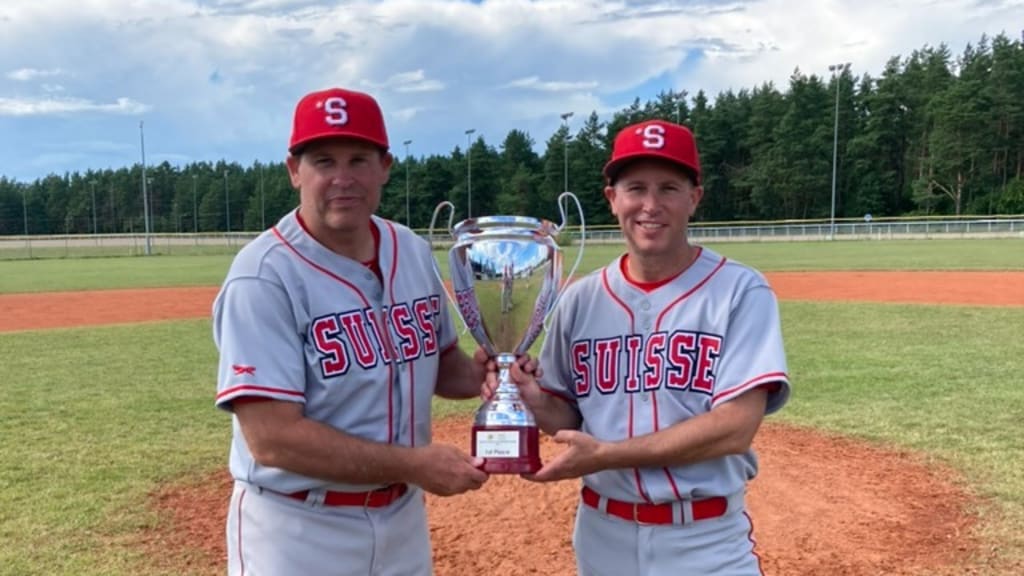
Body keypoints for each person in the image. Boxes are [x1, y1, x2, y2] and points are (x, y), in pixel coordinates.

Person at [486, 119, 791, 575]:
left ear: (695, 198)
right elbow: (568, 417)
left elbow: (735, 428)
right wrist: (531, 400)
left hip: (704, 542)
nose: (651, 205)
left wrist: (609, 456)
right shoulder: (579, 300)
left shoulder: (739, 291)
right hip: (602, 535)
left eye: (669, 188)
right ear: (612, 199)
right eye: (635, 188)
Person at [212, 87, 492, 576]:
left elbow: (441, 363)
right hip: (296, 528)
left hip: (400, 521)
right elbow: (275, 439)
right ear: (294, 171)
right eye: (324, 161)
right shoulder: (263, 275)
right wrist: (413, 465)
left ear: (384, 166)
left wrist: (490, 373)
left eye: (359, 160)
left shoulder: (409, 249)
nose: (343, 179)